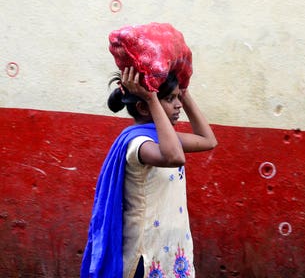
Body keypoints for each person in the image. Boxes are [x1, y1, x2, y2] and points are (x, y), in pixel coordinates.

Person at [81, 67, 217, 277]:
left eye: (177, 97)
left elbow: (209, 140)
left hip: (172, 248)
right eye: (170, 99)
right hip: (146, 254)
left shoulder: (165, 139)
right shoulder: (140, 144)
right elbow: (175, 157)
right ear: (144, 108)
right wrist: (153, 100)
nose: (178, 105)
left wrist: (185, 92)